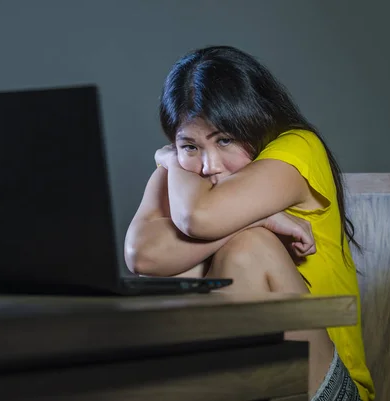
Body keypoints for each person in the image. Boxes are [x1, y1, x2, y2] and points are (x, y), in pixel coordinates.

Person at [124, 45, 375, 401]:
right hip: (230, 381)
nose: (210, 165)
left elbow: (200, 218)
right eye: (189, 145)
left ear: (256, 120)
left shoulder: (298, 148)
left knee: (250, 247)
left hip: (327, 389)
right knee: (180, 267)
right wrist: (263, 218)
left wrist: (170, 160)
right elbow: (142, 256)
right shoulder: (186, 177)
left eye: (224, 139)